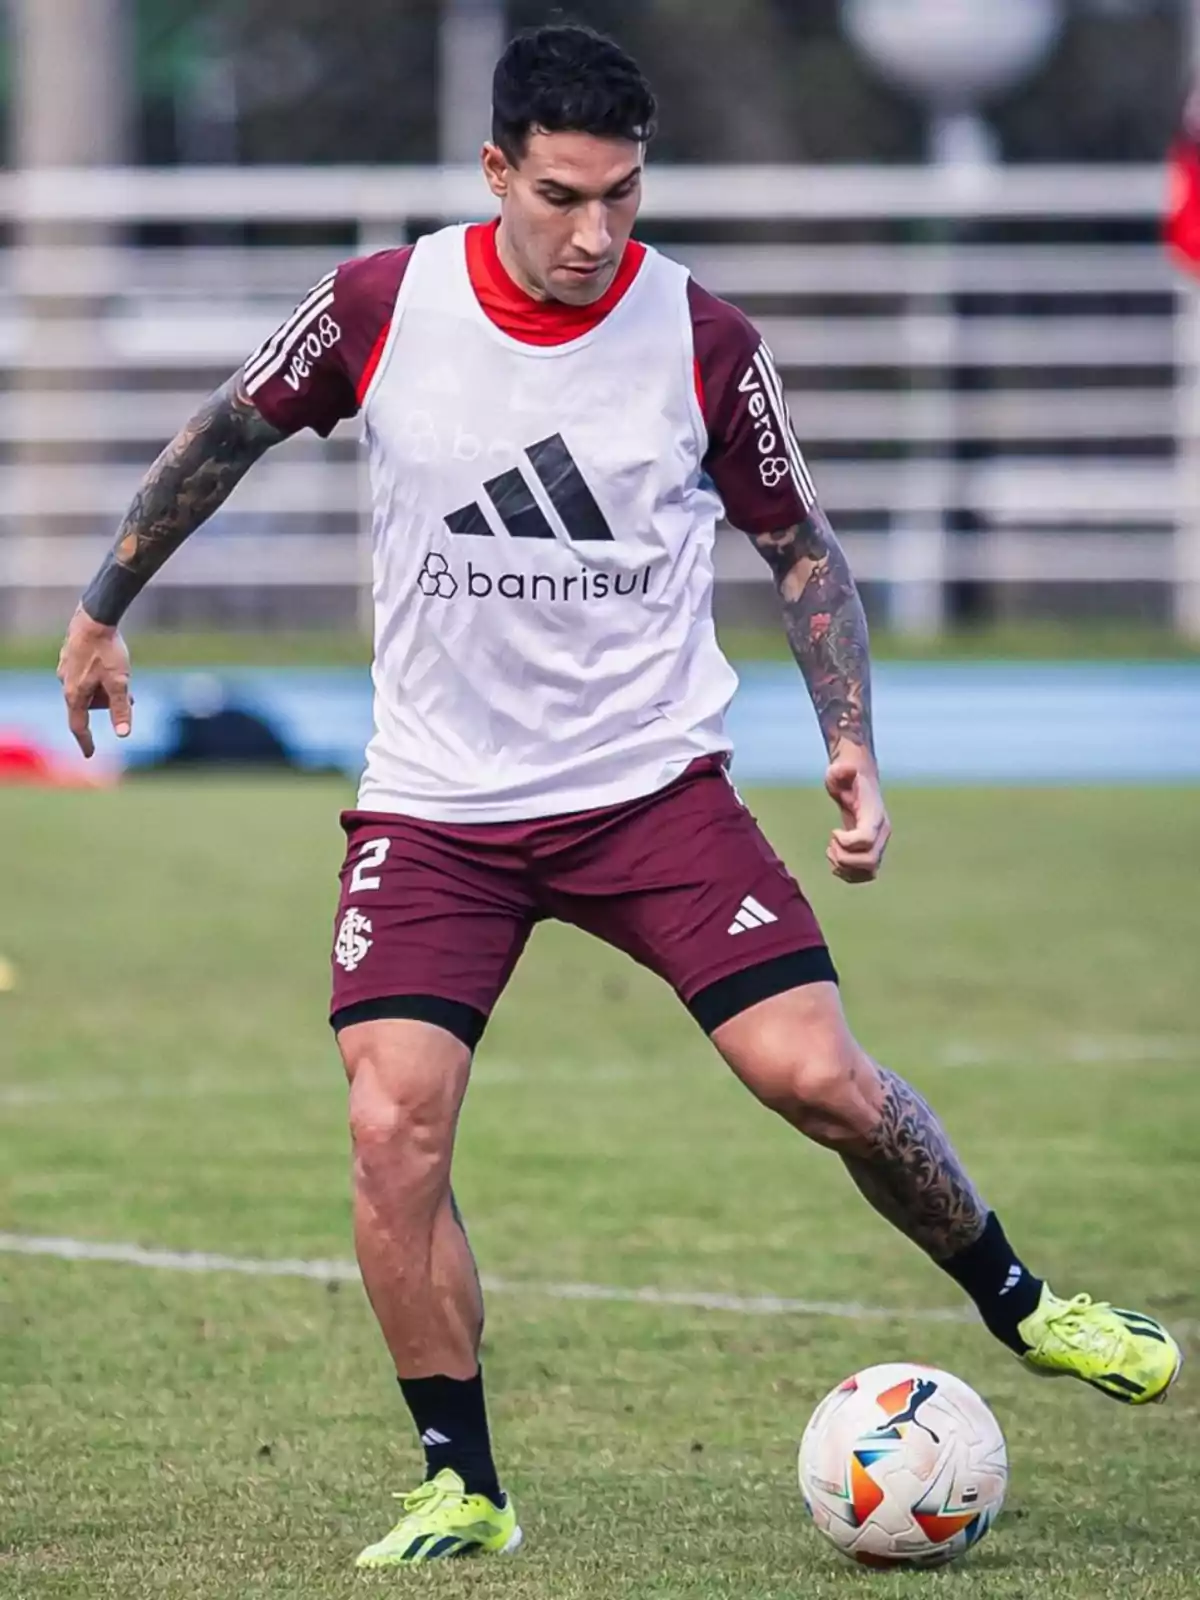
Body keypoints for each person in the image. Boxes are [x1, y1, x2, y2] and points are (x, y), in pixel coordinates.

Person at [57, 22, 1181, 1571]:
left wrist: (848, 733)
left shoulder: (702, 339)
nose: (598, 235)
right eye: (567, 197)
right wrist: (104, 603)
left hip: (649, 791)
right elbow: (225, 435)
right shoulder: (381, 307)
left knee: (822, 1082)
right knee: (394, 1131)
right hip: (438, 812)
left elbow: (802, 551)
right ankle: (463, 1481)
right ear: (496, 171)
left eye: (627, 198)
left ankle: (1025, 1303)